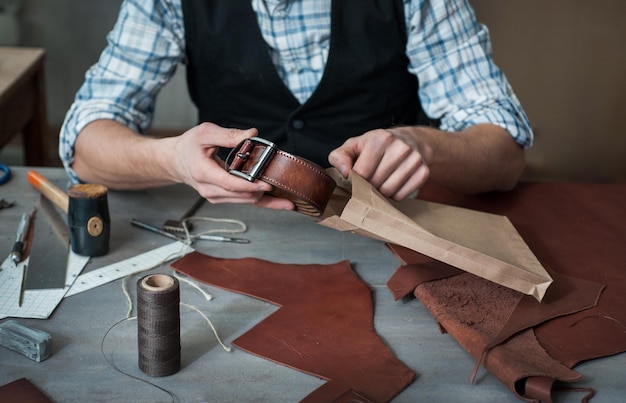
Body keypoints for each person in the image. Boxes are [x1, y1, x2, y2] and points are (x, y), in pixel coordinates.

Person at [60, 0, 533, 212]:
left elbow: (505, 155)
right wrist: (171, 159)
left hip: (391, 231)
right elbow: (85, 146)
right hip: (234, 236)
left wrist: (423, 146)